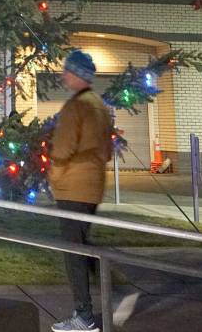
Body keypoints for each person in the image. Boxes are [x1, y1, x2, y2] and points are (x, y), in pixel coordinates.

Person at [49, 50, 113, 332]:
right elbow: (108, 151)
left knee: (73, 251)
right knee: (82, 246)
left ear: (77, 75)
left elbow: (62, 148)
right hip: (93, 186)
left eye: (67, 71)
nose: (64, 76)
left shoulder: (76, 107)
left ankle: (83, 316)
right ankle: (102, 284)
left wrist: (56, 174)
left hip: (73, 187)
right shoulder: (99, 104)